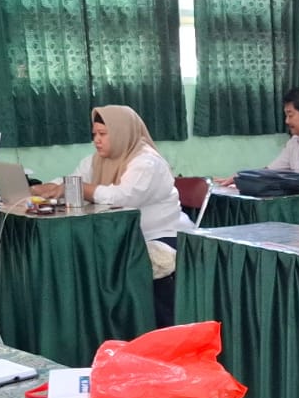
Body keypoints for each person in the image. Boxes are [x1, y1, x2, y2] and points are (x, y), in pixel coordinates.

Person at [31, 106, 189, 328]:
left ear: (123, 133)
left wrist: (79, 188)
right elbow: (74, 179)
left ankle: (135, 328)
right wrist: (47, 187)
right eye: (94, 134)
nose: (97, 140)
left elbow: (124, 198)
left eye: (103, 134)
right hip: (121, 240)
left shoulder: (147, 162)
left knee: (97, 268)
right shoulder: (96, 160)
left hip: (159, 238)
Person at [220, 87, 299, 221]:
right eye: (286, 116)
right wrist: (244, 178)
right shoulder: (294, 143)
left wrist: (293, 183)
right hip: (298, 212)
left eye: (290, 115)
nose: (287, 121)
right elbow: (270, 171)